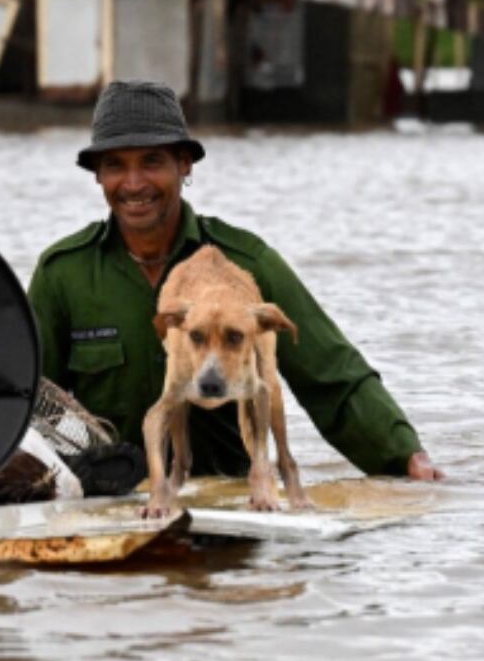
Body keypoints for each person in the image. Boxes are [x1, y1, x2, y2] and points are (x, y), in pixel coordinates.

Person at [27, 80, 443, 482]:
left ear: (184, 164)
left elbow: (333, 377)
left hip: (231, 501)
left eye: (152, 161)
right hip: (109, 500)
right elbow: (25, 399)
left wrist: (405, 455)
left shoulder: (248, 265)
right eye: (116, 165)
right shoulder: (63, 274)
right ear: (98, 175)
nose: (134, 184)